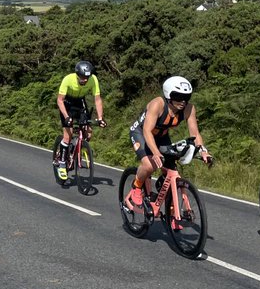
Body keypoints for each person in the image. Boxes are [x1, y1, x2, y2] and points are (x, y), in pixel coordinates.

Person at [124, 76, 212, 215]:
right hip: (141, 132)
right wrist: (155, 152)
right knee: (150, 165)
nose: (183, 101)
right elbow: (147, 131)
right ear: (168, 95)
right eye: (178, 97)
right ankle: (137, 186)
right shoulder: (157, 104)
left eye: (186, 97)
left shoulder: (189, 108)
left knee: (171, 169)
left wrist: (203, 151)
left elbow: (195, 133)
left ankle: (169, 209)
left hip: (162, 136)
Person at [54, 60, 107, 181]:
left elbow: (97, 99)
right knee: (67, 136)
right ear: (77, 75)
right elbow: (60, 100)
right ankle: (62, 163)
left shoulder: (93, 79)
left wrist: (100, 118)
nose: (85, 80)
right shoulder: (68, 79)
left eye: (87, 78)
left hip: (80, 103)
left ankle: (75, 148)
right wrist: (66, 117)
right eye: (82, 78)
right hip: (67, 103)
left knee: (88, 132)